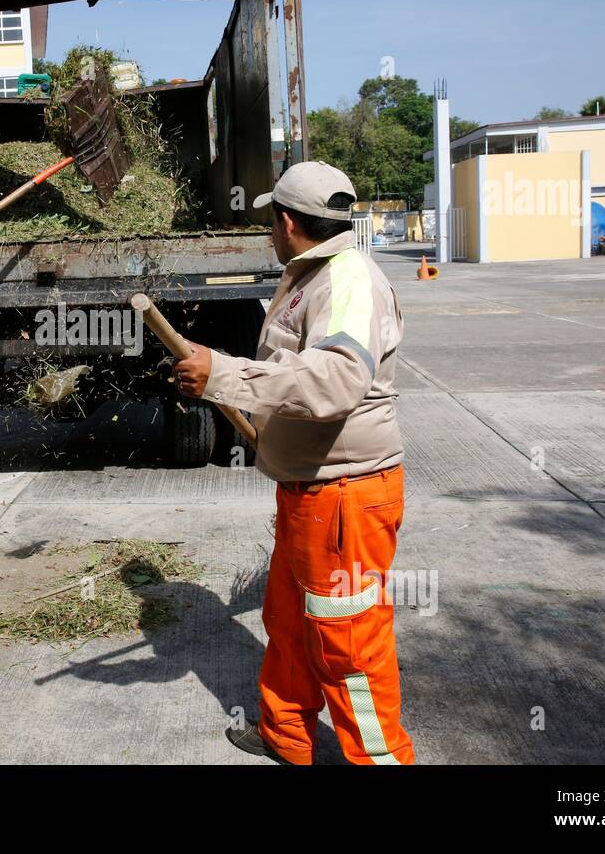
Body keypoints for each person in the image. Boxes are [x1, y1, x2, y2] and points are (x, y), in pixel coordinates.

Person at [173, 161, 415, 765]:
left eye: (269, 221)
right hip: (311, 493)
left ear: (285, 220)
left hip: (345, 499)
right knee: (292, 622)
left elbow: (336, 380)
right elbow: (295, 371)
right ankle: (287, 736)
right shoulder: (313, 274)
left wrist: (224, 373)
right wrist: (220, 382)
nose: (269, 232)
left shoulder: (347, 280)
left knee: (348, 647)